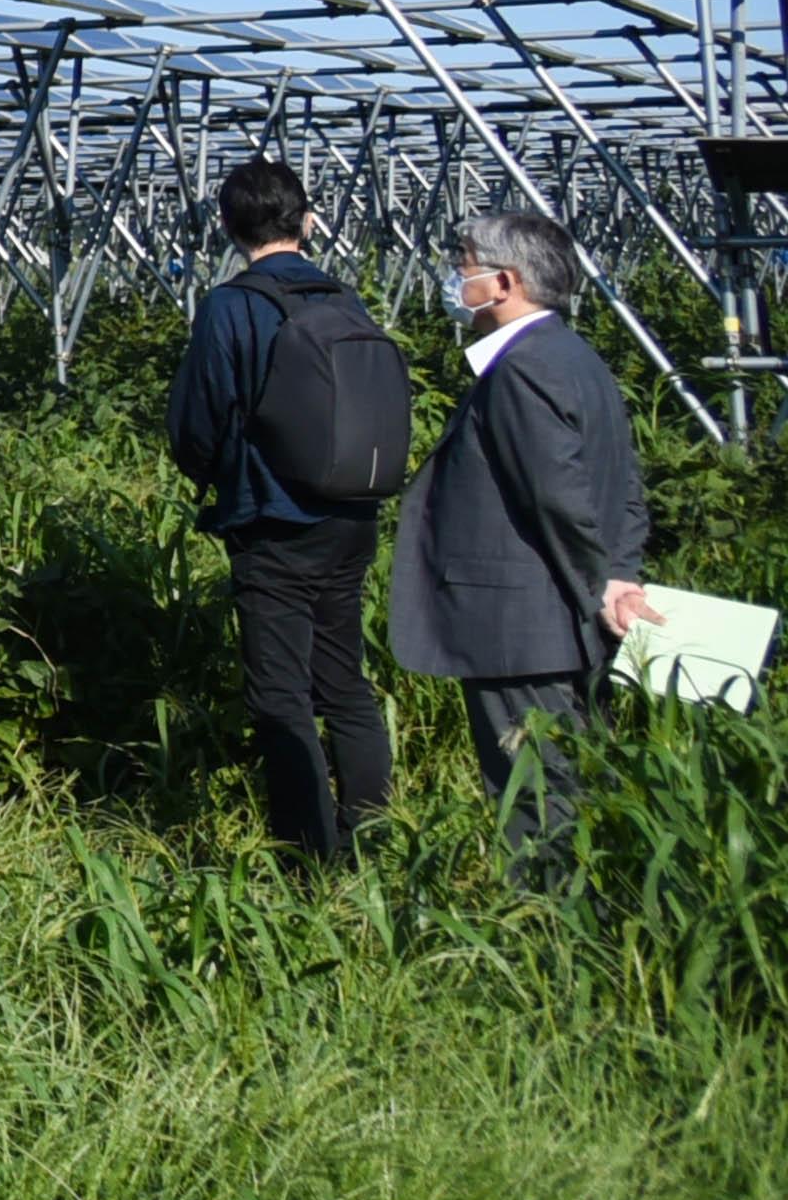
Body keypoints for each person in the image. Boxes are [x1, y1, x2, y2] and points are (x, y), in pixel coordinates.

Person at [388, 205, 655, 887]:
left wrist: (598, 585)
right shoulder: (575, 357)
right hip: (555, 619)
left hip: (522, 624)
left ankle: (546, 925)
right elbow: (623, 485)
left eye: (463, 267)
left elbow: (554, 497)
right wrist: (619, 575)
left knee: (532, 792)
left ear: (504, 282)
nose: (455, 280)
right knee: (567, 775)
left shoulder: (524, 368)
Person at [166, 158, 397, 865]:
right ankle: (375, 837)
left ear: (230, 228)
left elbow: (198, 423)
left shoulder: (232, 307)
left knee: (280, 695)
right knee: (345, 681)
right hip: (352, 517)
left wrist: (217, 475)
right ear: (306, 220)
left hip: (272, 519)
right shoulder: (345, 300)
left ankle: (309, 858)